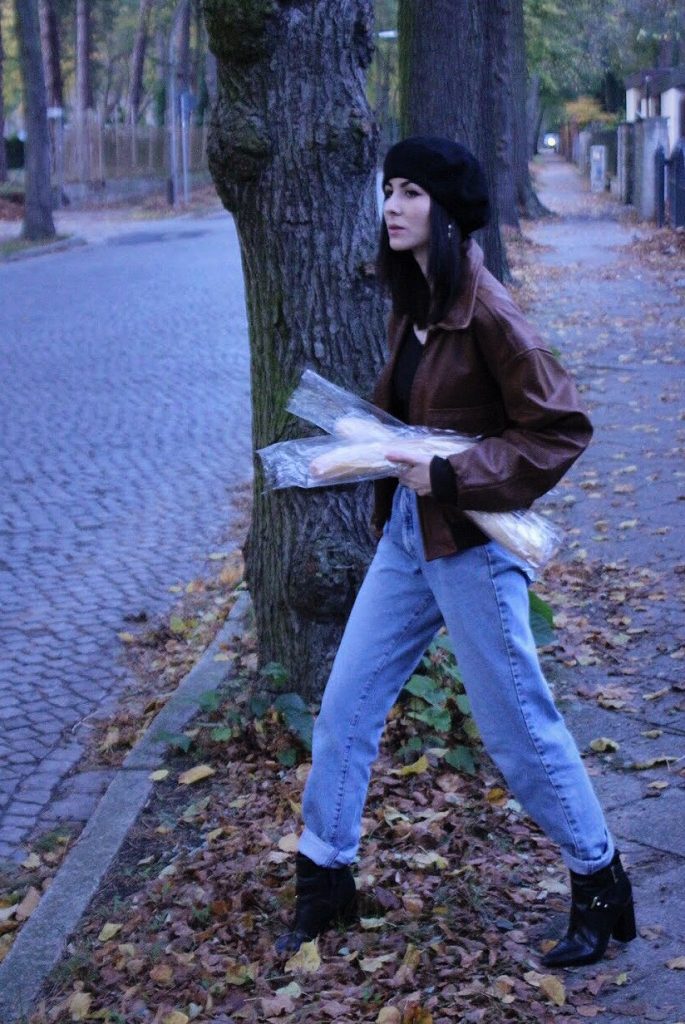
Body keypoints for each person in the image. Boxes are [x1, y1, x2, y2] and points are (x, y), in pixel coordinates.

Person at [275, 136, 635, 969]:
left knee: (518, 731)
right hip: (411, 537)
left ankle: (600, 880)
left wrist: (452, 471)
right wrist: (376, 449)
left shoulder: (491, 315)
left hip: (473, 543)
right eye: (388, 189)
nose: (392, 205)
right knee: (346, 709)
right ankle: (325, 880)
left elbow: (559, 429)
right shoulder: (420, 297)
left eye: (409, 191)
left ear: (445, 210)